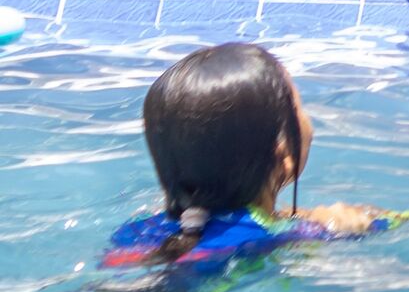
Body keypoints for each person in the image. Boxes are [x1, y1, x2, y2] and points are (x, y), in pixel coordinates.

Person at [102, 43, 393, 274]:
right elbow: (404, 220)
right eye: (300, 105)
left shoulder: (138, 229)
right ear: (285, 155)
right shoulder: (289, 239)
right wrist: (348, 225)